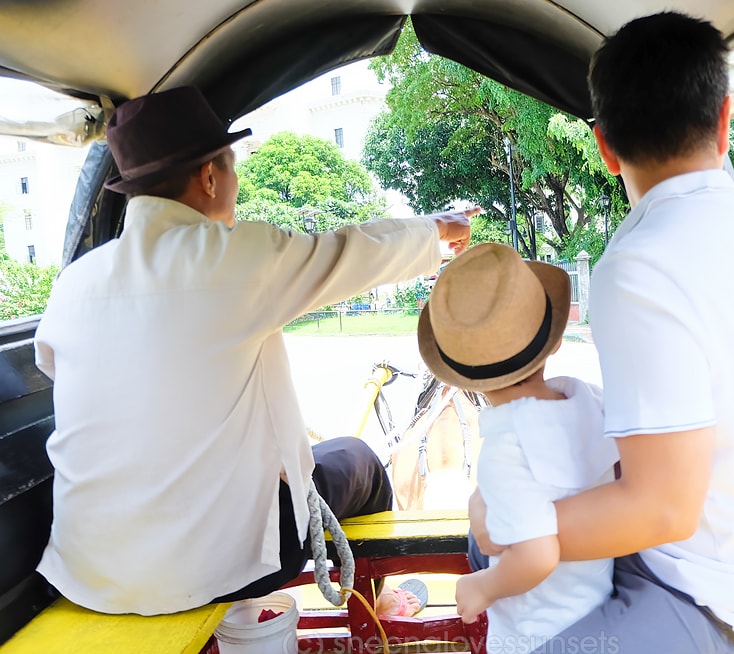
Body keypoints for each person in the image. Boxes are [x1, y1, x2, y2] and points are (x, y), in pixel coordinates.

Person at [468, 12, 734, 654]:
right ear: (723, 122)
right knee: (483, 534)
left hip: (722, 611)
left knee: (489, 533)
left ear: (605, 148)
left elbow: (662, 506)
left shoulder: (637, 266)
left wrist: (512, 527)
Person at [33, 85, 477, 616]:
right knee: (360, 462)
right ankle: (375, 610)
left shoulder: (73, 284)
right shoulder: (234, 256)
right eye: (233, 168)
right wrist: (438, 231)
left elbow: (59, 369)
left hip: (87, 569)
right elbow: (350, 252)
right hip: (214, 565)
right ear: (210, 176)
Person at [418, 243, 619, 654]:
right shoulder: (591, 403)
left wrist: (483, 587)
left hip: (531, 642)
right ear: (556, 342)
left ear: (460, 375)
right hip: (599, 618)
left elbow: (538, 555)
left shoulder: (506, 449)